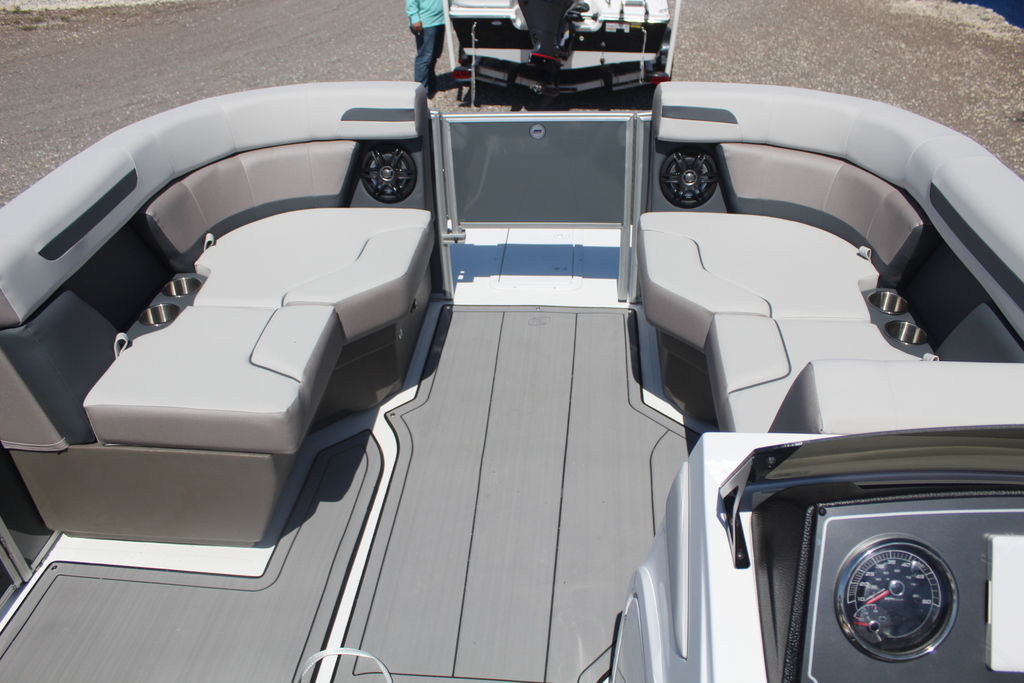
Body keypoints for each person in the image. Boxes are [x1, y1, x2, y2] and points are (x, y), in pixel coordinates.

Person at [406, 0, 446, 98]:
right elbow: (410, 2)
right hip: (425, 23)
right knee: (424, 58)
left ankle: (432, 86)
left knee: (434, 55)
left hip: (441, 20)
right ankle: (421, 95)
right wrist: (414, 18)